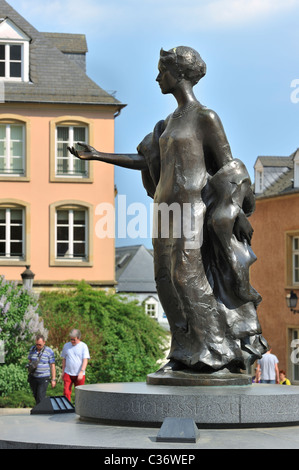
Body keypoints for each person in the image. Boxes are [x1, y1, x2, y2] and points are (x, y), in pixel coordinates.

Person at [68, 46, 267, 374]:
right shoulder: (167, 123)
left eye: (163, 70)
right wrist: (98, 155)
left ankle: (215, 351)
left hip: (193, 209)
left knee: (186, 276)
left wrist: (236, 213)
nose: (158, 77)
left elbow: (228, 165)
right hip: (164, 209)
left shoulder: (205, 118)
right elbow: (147, 162)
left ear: (181, 74)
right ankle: (184, 353)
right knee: (164, 279)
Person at [61, 329, 90, 401]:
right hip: (68, 373)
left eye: (74, 340)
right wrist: (63, 372)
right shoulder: (66, 346)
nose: (72, 341)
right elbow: (64, 359)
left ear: (78, 338)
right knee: (66, 392)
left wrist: (81, 371)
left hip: (79, 374)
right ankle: (67, 408)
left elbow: (85, 360)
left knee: (79, 393)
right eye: (71, 339)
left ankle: (79, 408)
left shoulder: (83, 346)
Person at [27, 334, 56, 404]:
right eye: (36, 344)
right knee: (36, 396)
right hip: (34, 377)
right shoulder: (32, 349)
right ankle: (40, 410)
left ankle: (41, 411)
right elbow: (30, 361)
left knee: (40, 396)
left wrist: (53, 379)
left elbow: (52, 365)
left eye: (40, 344)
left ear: (44, 342)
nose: (38, 346)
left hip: (44, 377)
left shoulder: (49, 351)